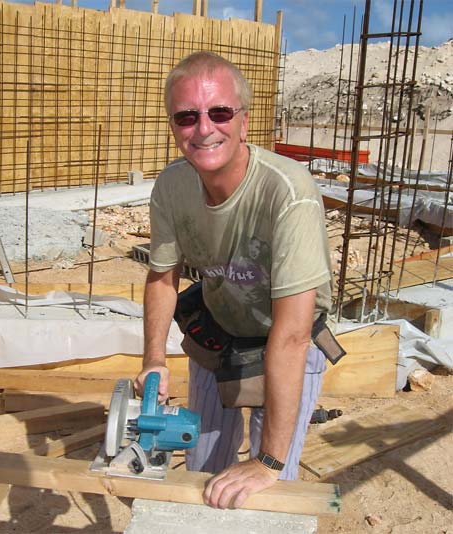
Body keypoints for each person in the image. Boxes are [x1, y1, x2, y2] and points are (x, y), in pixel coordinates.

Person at [134, 51, 332, 509]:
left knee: (268, 484)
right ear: (173, 126)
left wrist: (267, 462)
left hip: (284, 339)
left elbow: (293, 335)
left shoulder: (288, 193)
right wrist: (153, 360)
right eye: (187, 117)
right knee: (204, 471)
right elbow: (162, 277)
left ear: (244, 122)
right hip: (219, 331)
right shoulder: (172, 187)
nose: (204, 128)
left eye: (219, 112)